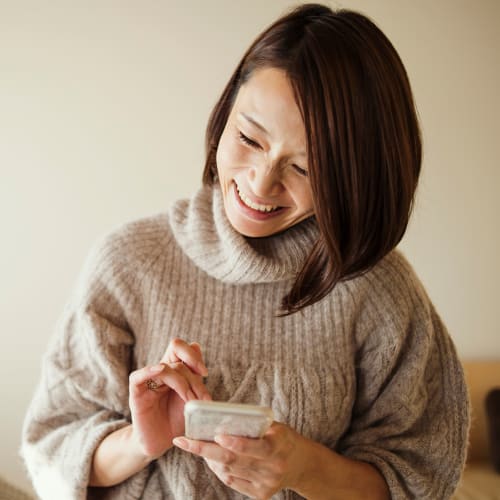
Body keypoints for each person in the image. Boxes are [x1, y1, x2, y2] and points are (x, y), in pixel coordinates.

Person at [21, 4, 470, 499]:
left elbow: (418, 479)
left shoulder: (380, 293)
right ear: (225, 111)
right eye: (248, 138)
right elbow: (53, 447)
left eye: (305, 168)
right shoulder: (129, 262)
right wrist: (142, 441)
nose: (261, 183)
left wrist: (304, 467)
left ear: (353, 178)